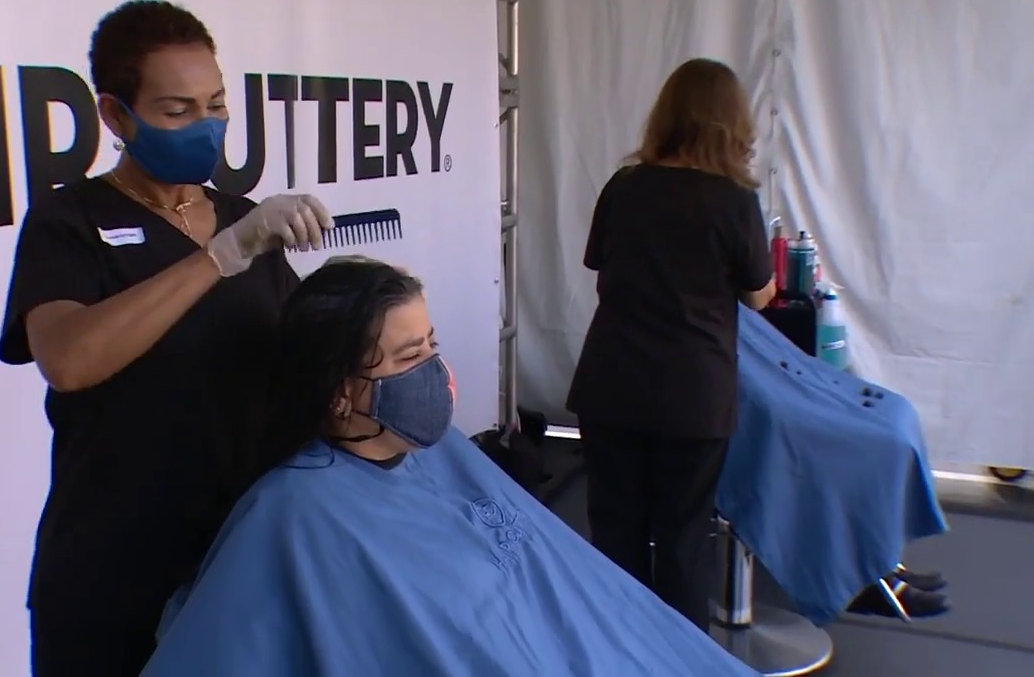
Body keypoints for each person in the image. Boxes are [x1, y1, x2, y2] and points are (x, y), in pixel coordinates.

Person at [139, 257, 760, 677]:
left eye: (432, 345)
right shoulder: (293, 514)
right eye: (411, 356)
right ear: (336, 391)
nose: (435, 372)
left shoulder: (439, 453)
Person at [0, 0, 334, 676]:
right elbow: (68, 358)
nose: (205, 127)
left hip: (236, 562)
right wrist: (216, 258)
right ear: (116, 116)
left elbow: (307, 360)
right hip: (110, 578)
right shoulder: (71, 221)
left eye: (215, 105)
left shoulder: (246, 221)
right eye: (177, 112)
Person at [565, 58, 777, 632]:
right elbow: (759, 295)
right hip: (693, 398)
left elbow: (602, 265)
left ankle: (612, 658)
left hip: (612, 386)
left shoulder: (624, 187)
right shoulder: (734, 202)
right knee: (684, 544)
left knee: (614, 538)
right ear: (730, 125)